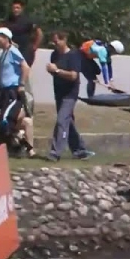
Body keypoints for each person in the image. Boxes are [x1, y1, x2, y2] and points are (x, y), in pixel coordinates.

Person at [45, 31, 95, 162]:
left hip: (70, 94)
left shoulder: (73, 56)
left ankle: (55, 153)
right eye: (53, 42)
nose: (55, 44)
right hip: (59, 92)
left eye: (57, 41)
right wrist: (52, 71)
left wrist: (56, 70)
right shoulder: (54, 55)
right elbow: (56, 73)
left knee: (62, 120)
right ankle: (80, 150)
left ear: (64, 40)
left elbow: (73, 75)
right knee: (68, 122)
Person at [0, 27, 31, 152]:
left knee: (6, 118)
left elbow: (25, 67)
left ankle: (14, 144)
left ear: (6, 38)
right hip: (4, 91)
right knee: (4, 118)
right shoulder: (3, 53)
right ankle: (11, 145)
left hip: (12, 90)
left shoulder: (13, 51)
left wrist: (21, 84)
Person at [4, 0, 42, 68]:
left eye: (18, 8)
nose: (16, 10)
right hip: (12, 51)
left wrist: (35, 47)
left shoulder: (28, 20)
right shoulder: (8, 20)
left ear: (21, 9)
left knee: (24, 72)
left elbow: (39, 33)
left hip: (25, 51)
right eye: (14, 8)